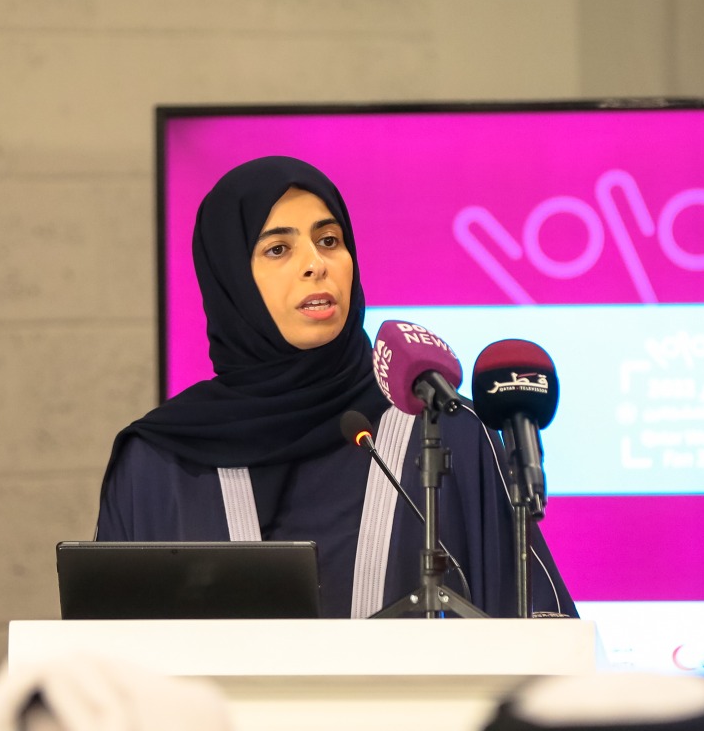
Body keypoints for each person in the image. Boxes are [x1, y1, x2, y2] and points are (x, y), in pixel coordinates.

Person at [96, 156, 576, 620]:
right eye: (278, 249)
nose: (316, 264)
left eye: (329, 240)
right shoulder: (157, 461)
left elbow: (538, 638)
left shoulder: (439, 424)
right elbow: (107, 674)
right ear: (230, 279)